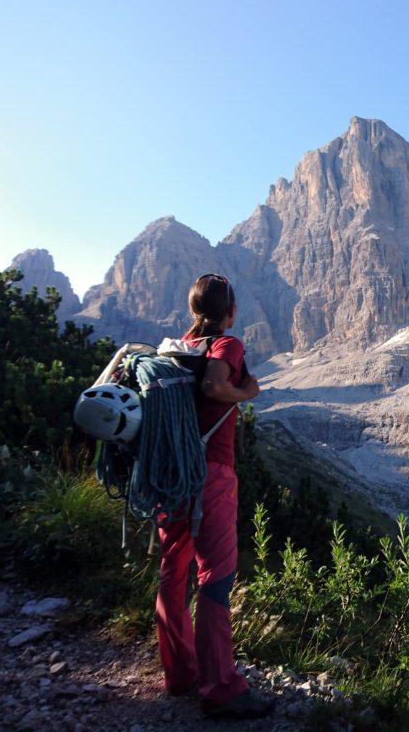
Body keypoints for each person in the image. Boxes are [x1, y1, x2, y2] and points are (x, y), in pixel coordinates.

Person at [154, 273, 274, 719]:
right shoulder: (226, 346)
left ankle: (179, 673)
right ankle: (220, 688)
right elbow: (213, 387)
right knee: (216, 576)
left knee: (173, 568)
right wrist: (246, 392)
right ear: (231, 311)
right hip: (212, 474)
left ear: (192, 309)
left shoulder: (176, 349)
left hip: (172, 473)